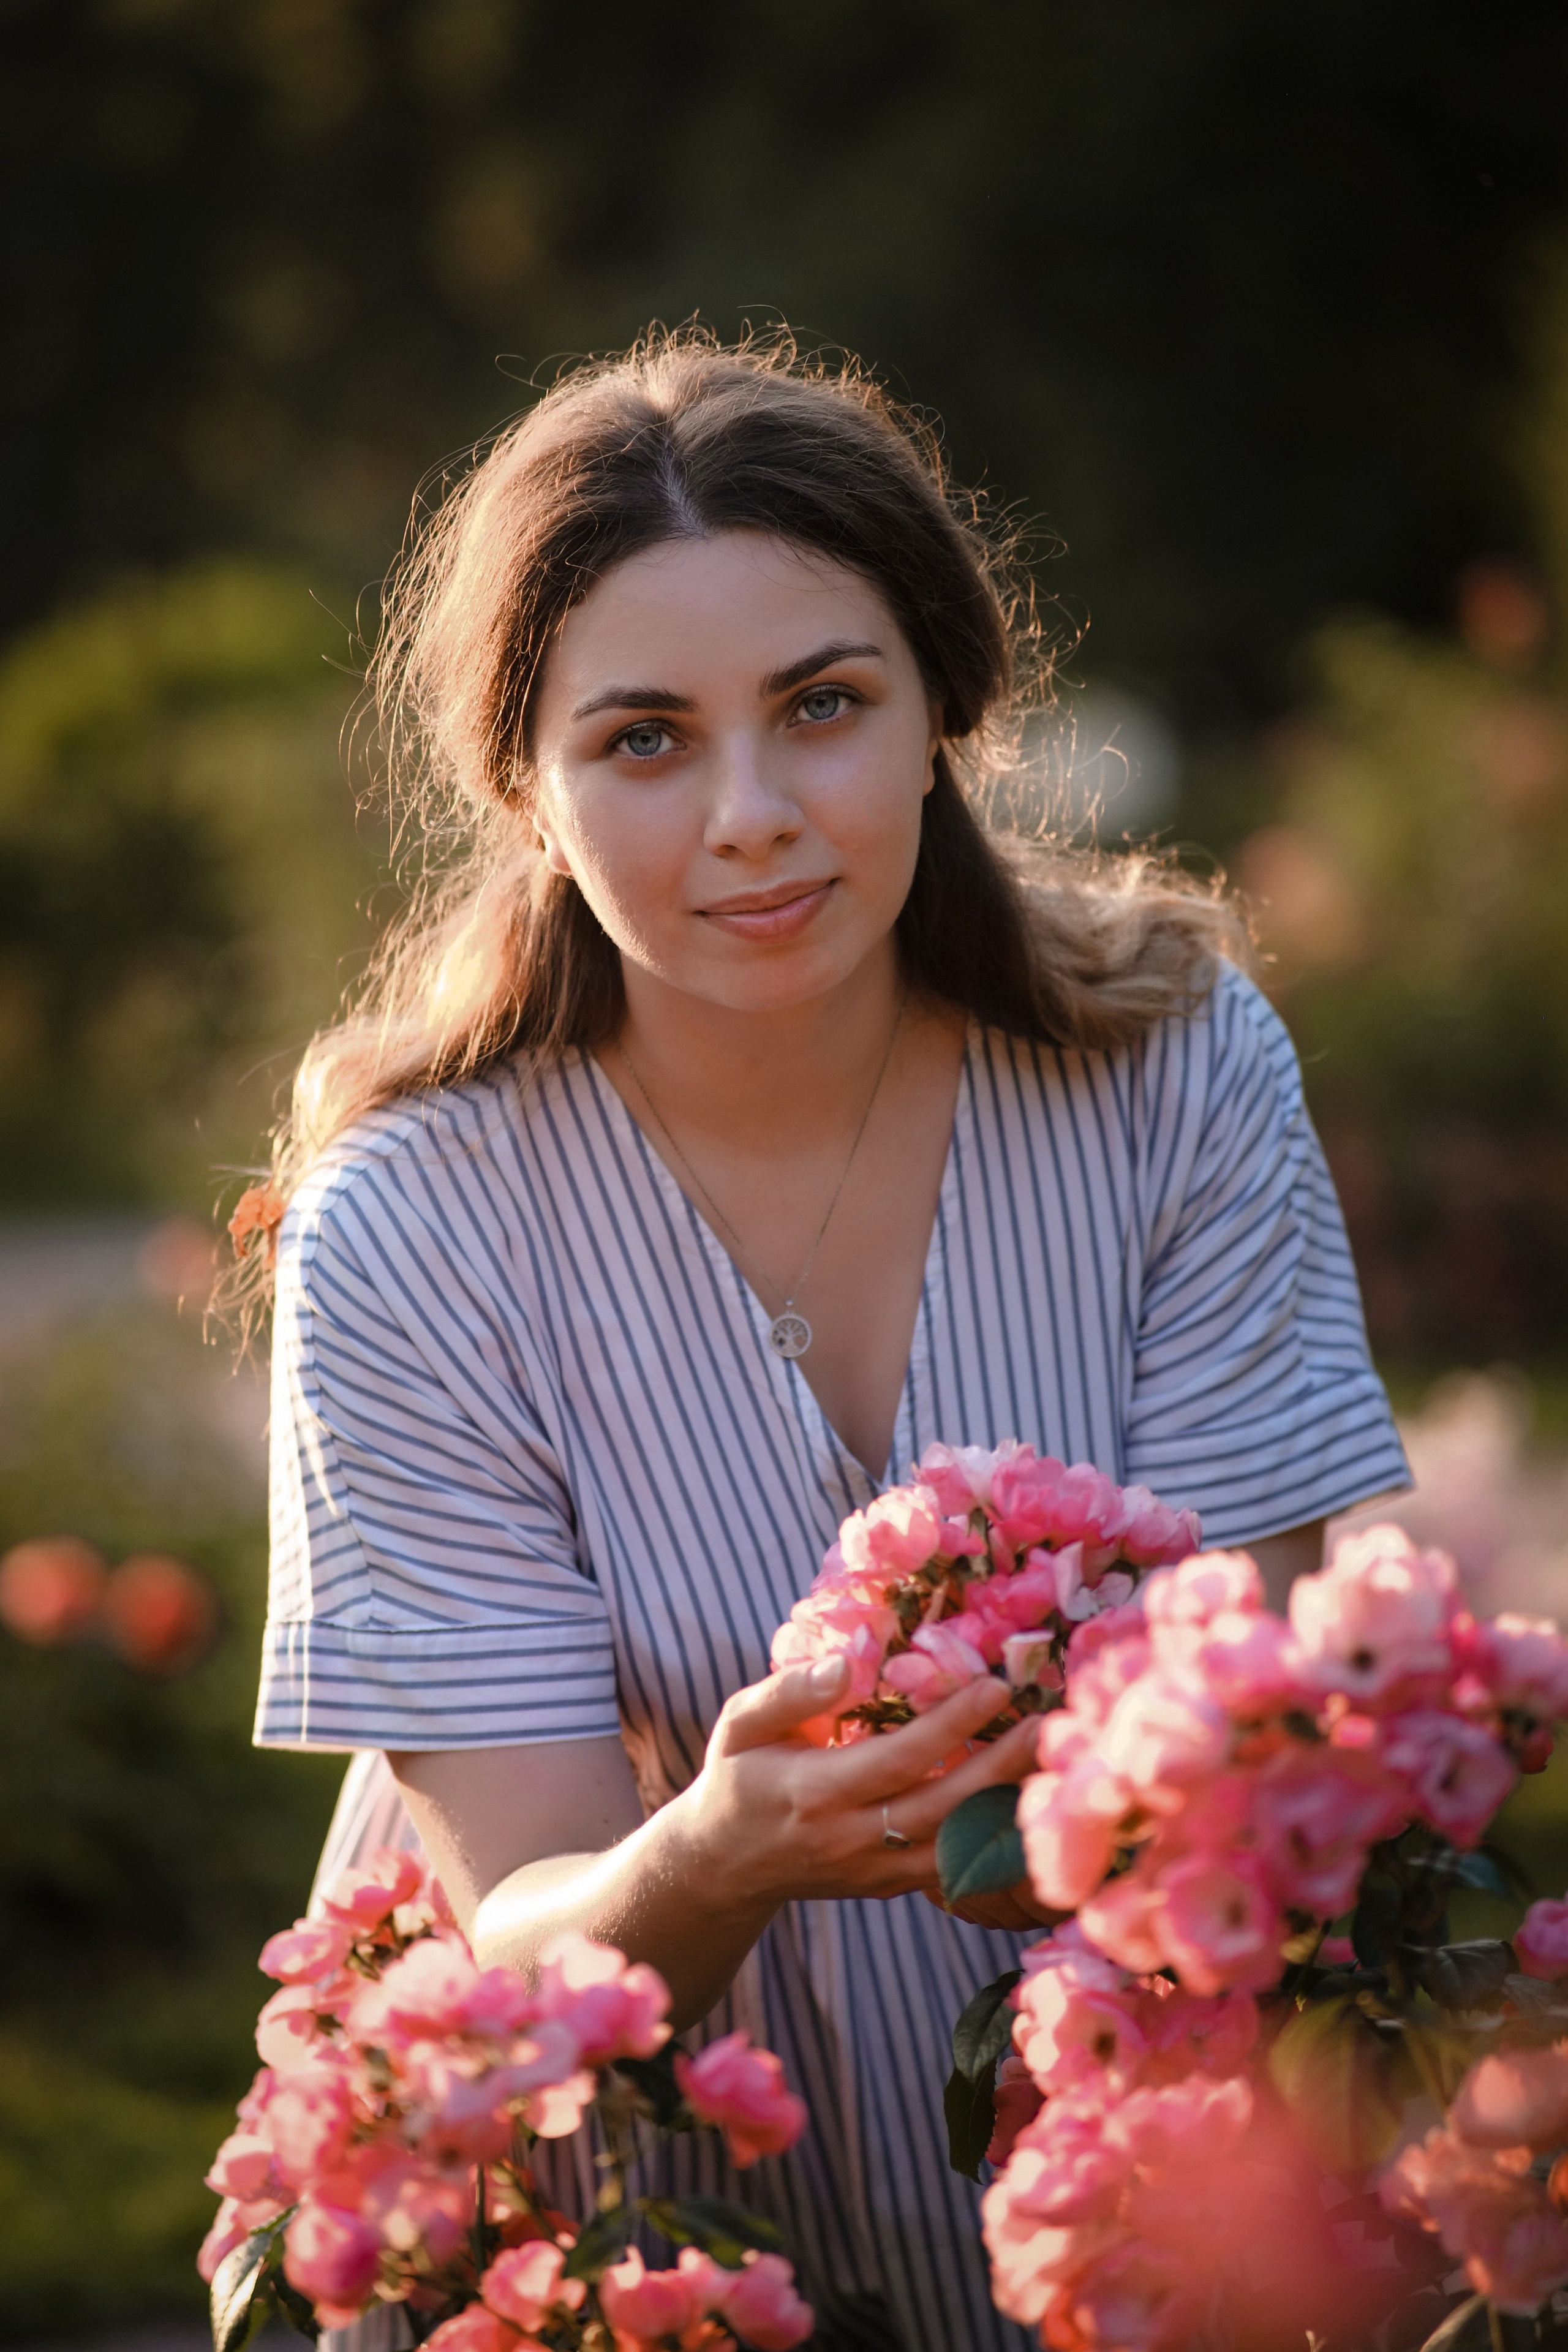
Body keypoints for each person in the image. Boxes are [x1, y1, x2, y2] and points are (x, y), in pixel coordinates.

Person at [249, 332, 1409, 2352]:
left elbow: (1254, 1745)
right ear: (520, 784)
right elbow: (517, 1915)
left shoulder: (1177, 1075)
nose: (754, 817)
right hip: (632, 2243)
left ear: (944, 703)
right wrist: (710, 1860)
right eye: (644, 741)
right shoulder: (413, 1227)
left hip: (1147, 2220)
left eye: (823, 707)